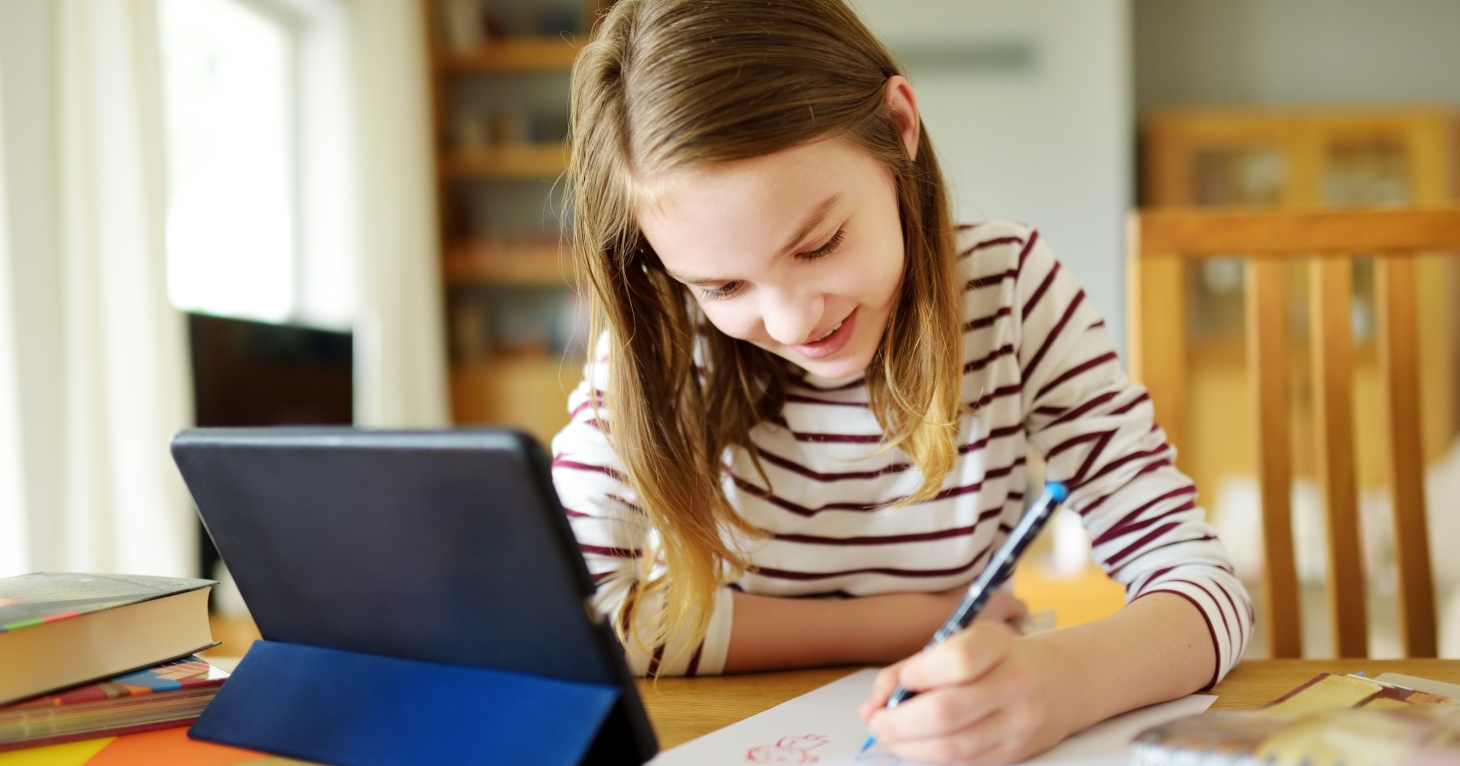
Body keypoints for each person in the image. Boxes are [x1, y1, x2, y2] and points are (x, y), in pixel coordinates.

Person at [551, 0, 1251, 762]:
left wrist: (1062, 683)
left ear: (899, 126)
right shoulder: (655, 345)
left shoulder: (1010, 294)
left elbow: (1201, 584)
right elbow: (578, 624)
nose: (790, 323)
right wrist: (914, 619)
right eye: (722, 287)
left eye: (818, 245)